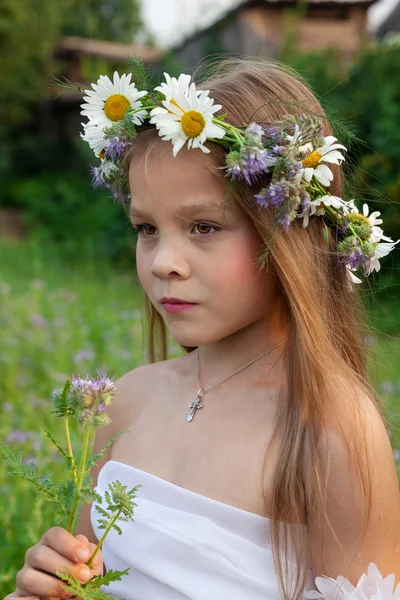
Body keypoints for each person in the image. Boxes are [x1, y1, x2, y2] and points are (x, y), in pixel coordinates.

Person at [6, 58, 400, 600]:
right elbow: (88, 579)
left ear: (289, 233)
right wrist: (48, 587)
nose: (164, 260)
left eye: (205, 227)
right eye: (146, 228)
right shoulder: (127, 401)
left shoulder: (329, 430)